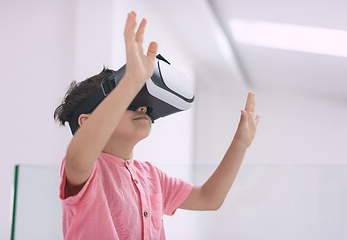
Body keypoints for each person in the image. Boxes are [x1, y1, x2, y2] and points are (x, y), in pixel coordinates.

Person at [54, 11, 260, 240]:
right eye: (130, 100)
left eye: (142, 101)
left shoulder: (151, 176)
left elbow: (209, 198)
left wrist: (240, 143)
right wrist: (130, 82)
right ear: (87, 121)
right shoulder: (87, 170)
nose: (143, 108)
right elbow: (78, 155)